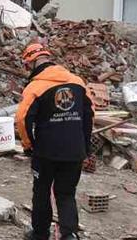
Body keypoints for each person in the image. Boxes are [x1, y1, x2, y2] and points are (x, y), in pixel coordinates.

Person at [15, 43, 94, 240]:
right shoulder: (78, 82)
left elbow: (22, 119)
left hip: (46, 152)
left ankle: (40, 234)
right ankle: (69, 235)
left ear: (31, 63)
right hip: (75, 150)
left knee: (41, 193)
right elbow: (89, 114)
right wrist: (85, 146)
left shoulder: (35, 87)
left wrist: (28, 145)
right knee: (66, 193)